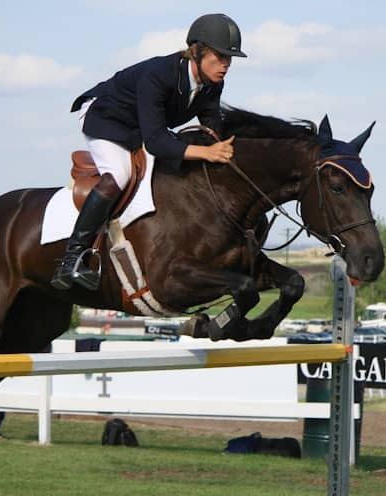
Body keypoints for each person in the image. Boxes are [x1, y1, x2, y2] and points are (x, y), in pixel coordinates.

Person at [51, 13, 247, 291]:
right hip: (106, 117)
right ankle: (71, 258)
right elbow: (155, 141)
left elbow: (211, 126)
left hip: (140, 127)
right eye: (220, 56)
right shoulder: (159, 74)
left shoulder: (213, 84)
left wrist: (225, 149)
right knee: (119, 174)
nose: (226, 64)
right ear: (197, 51)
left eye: (230, 58)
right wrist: (206, 153)